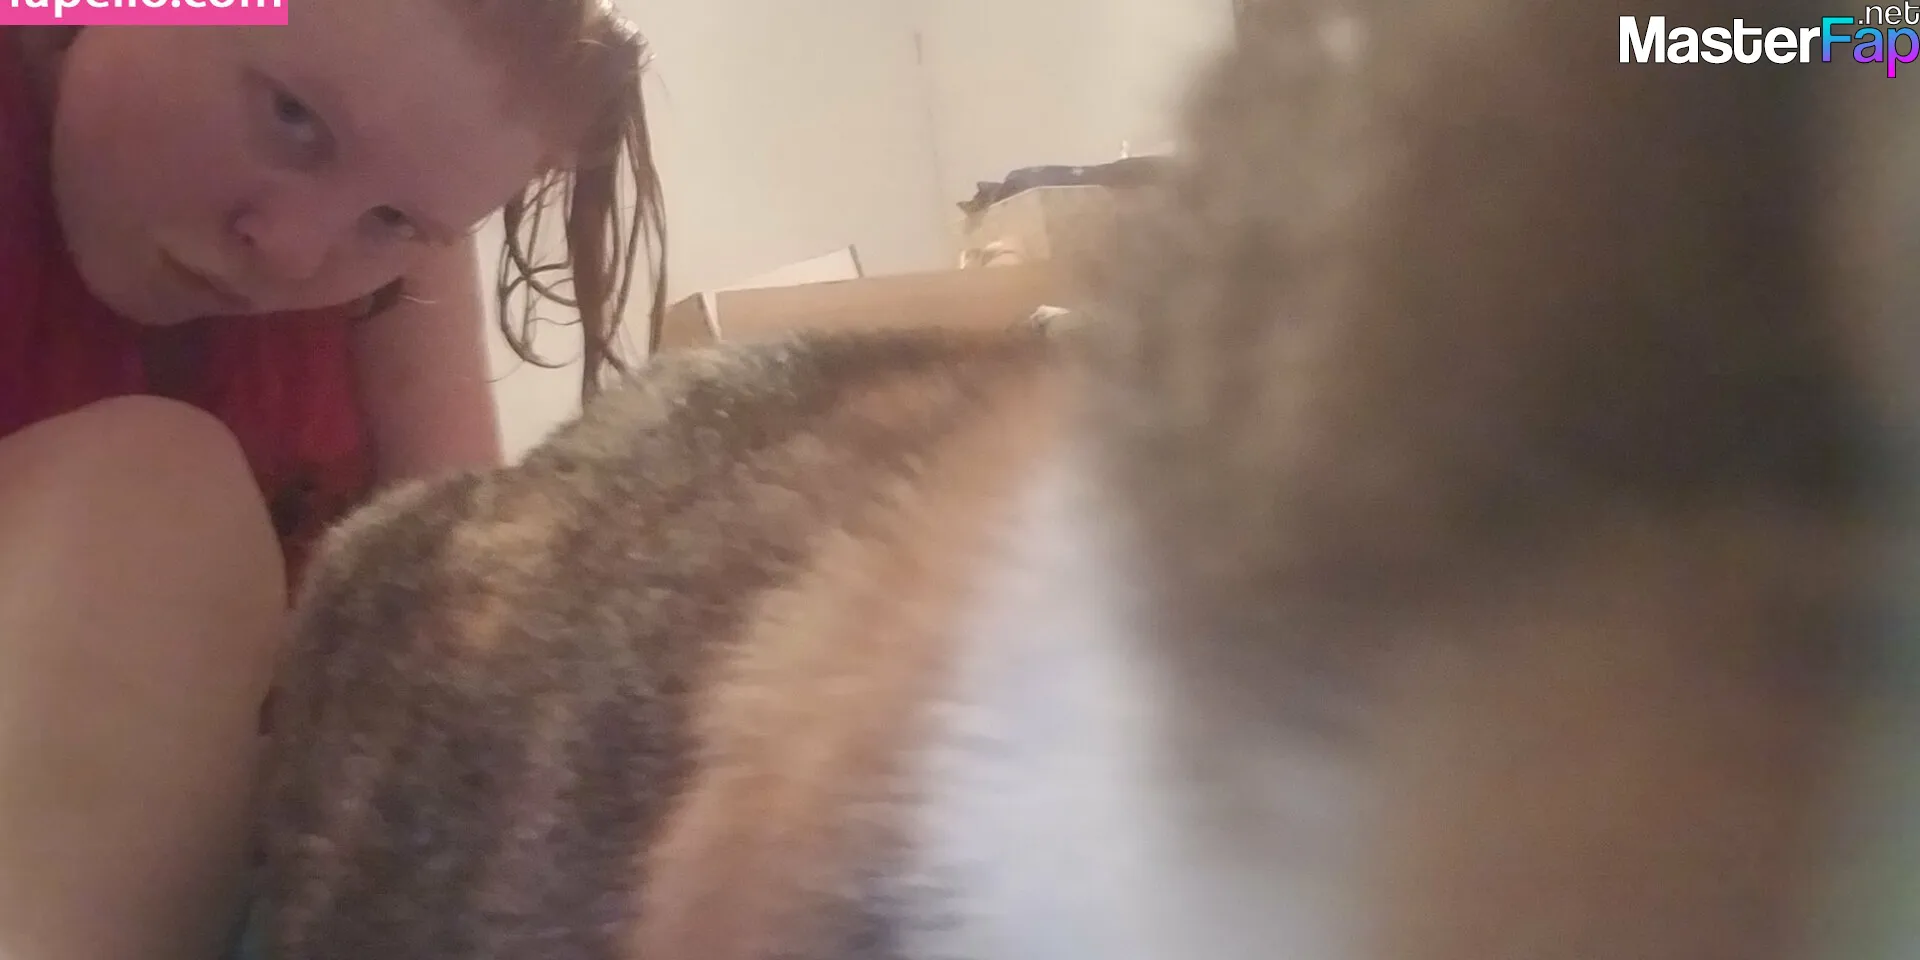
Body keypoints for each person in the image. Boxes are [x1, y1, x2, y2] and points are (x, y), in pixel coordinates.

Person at [0, 3, 667, 959]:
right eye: (292, 117)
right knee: (156, 491)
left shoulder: (391, 279)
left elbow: (454, 603)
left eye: (393, 220)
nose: (295, 252)